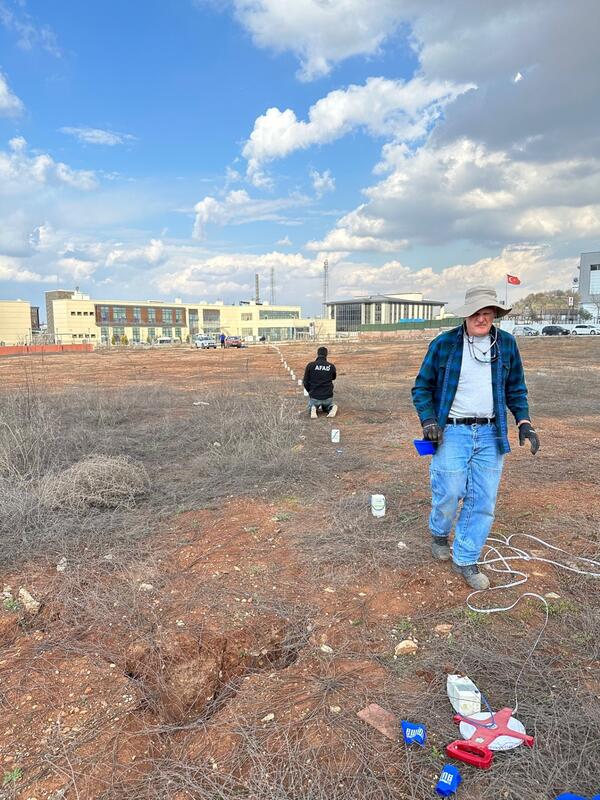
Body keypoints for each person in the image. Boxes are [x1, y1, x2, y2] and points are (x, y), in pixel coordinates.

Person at [411, 286, 540, 590]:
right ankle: (440, 533)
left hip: (490, 432)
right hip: (452, 429)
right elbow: (421, 388)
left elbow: (516, 388)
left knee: (483, 499)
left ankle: (467, 557)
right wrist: (429, 420)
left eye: (488, 313)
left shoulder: (506, 344)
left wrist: (524, 422)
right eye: (476, 313)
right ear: (466, 315)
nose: (482, 318)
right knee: (450, 491)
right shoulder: (444, 344)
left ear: (494, 315)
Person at [303, 346, 337, 419]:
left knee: (311, 406)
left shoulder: (310, 365)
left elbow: (305, 381)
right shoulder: (331, 366)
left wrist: (310, 391)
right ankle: (332, 407)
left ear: (317, 354)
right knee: (327, 407)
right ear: (326, 354)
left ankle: (313, 408)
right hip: (328, 396)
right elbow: (333, 377)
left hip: (315, 396)